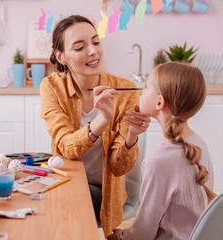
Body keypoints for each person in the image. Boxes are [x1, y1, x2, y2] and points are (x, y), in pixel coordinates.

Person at [39, 15, 150, 236]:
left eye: (96, 42)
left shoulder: (124, 90)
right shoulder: (51, 87)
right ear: (61, 56)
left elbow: (119, 168)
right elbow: (65, 147)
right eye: (80, 47)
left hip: (104, 194)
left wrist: (132, 136)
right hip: (67, 184)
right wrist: (101, 121)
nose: (93, 51)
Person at [107, 62, 216, 240]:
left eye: (147, 86)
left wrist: (120, 237)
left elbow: (143, 234)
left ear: (159, 102)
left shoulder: (158, 163)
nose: (142, 90)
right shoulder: (199, 143)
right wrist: (128, 233)